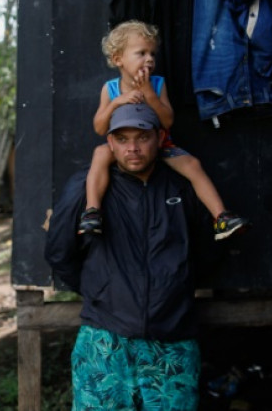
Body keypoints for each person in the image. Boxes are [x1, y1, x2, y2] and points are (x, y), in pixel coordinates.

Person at [45, 103, 215, 410]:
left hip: (172, 341)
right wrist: (100, 290)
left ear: (160, 138)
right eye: (122, 139)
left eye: (142, 137)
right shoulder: (88, 187)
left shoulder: (182, 186)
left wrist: (172, 290)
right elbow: (59, 251)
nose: (132, 148)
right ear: (110, 143)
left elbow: (206, 252)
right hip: (106, 341)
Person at [79, 20, 248, 240]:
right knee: (99, 154)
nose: (149, 59)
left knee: (192, 164)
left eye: (152, 54)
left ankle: (221, 217)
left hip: (159, 146)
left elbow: (167, 121)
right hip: (124, 149)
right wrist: (116, 103)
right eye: (141, 53)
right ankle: (92, 212)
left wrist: (148, 93)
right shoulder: (111, 89)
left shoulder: (158, 84)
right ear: (118, 59)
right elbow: (99, 127)